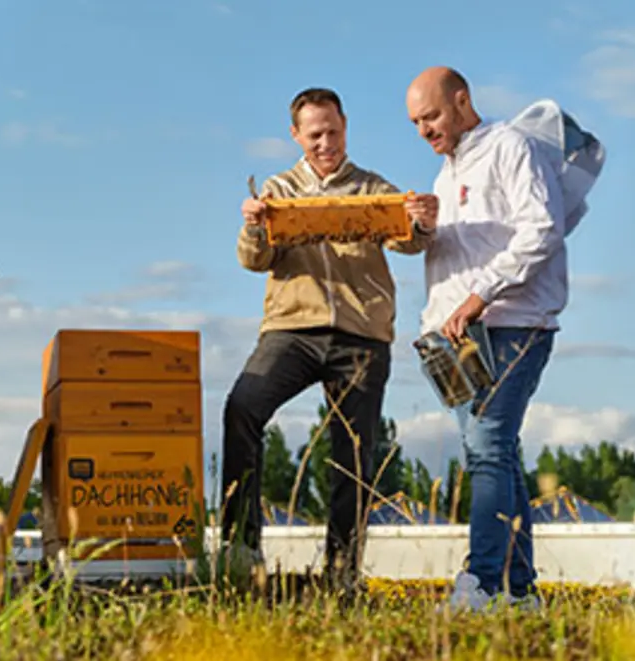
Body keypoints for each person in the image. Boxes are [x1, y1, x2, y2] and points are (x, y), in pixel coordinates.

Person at [221, 87, 439, 586]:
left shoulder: (371, 188)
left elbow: (406, 242)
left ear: (345, 128)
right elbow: (253, 261)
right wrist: (254, 225)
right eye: (315, 134)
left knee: (355, 451)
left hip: (362, 334)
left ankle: (342, 572)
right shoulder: (276, 190)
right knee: (242, 408)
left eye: (333, 132)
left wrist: (421, 224)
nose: (326, 143)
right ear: (296, 135)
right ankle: (240, 550)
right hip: (292, 329)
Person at [404, 66, 568, 609]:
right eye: (415, 123)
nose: (424, 130)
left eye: (430, 116)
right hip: (452, 340)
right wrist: (424, 230)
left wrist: (480, 296)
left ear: (462, 100)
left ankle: (478, 583)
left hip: (512, 325)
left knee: (487, 450)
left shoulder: (511, 147)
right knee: (497, 453)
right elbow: (456, 253)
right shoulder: (443, 178)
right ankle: (521, 592)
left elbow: (541, 228)